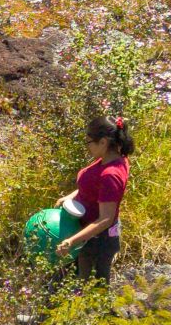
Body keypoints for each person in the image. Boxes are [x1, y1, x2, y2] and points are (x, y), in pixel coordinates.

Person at [56, 113, 132, 281]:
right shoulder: (109, 158)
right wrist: (70, 196)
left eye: (89, 142)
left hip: (98, 241)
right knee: (85, 278)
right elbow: (92, 187)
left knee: (94, 287)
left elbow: (105, 218)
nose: (87, 146)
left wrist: (71, 241)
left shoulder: (111, 174)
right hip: (87, 234)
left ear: (103, 142)